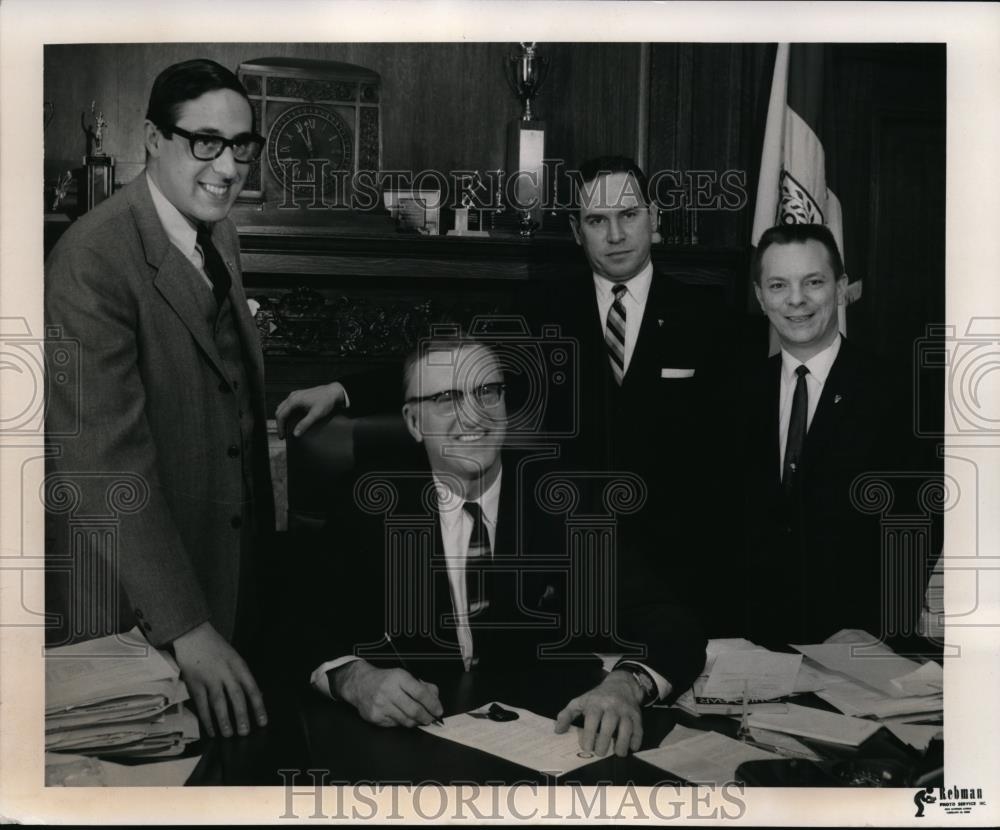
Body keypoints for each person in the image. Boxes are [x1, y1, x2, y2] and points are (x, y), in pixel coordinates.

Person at [298, 338, 707, 757]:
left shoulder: (563, 503)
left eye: (486, 391)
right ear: (415, 422)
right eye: (445, 398)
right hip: (409, 752)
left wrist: (626, 684)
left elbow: (670, 622)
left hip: (550, 749)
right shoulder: (369, 505)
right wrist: (354, 678)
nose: (473, 414)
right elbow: (301, 624)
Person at [45, 59, 272, 739]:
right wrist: (189, 627)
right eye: (204, 141)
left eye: (241, 146)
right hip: (136, 610)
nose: (227, 166)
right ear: (151, 137)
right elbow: (105, 467)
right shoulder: (92, 257)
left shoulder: (219, 232)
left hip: (222, 581)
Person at [734, 222, 919, 646]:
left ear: (840, 288)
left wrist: (880, 629)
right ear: (761, 297)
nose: (796, 300)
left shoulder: (895, 392)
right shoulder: (734, 391)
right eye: (778, 285)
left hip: (857, 645)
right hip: (751, 644)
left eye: (813, 282)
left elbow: (916, 524)